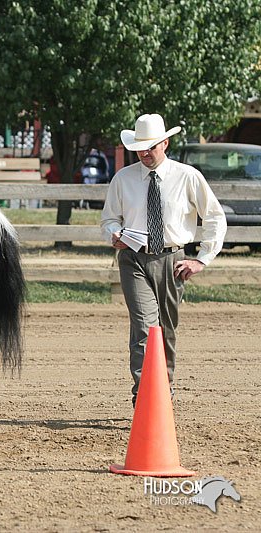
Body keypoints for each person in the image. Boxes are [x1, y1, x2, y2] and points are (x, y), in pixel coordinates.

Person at [101, 113, 226, 407]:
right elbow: (108, 219)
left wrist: (202, 259)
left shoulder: (188, 177)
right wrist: (113, 234)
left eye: (151, 147)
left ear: (165, 143)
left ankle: (164, 390)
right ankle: (144, 398)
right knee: (144, 328)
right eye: (140, 148)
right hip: (133, 258)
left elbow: (215, 218)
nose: (144, 153)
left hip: (173, 261)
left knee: (167, 330)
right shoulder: (123, 179)